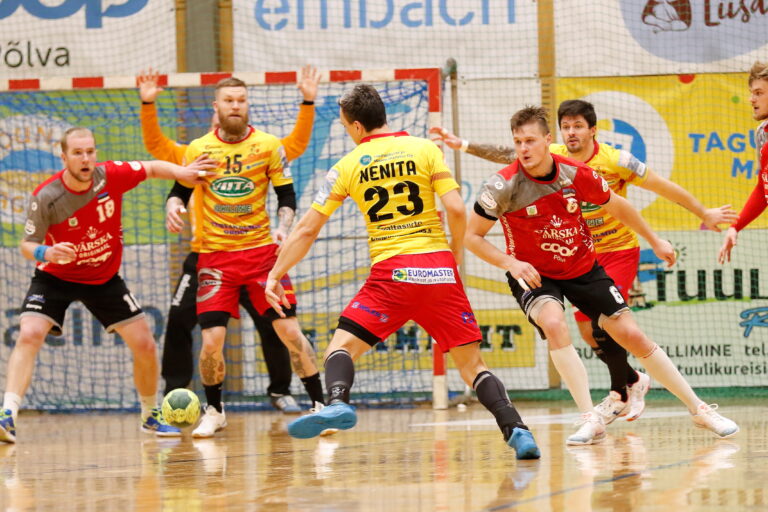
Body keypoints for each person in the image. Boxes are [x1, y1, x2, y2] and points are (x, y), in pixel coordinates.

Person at [264, 84, 541, 460]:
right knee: (473, 367)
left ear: (357, 126)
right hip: (439, 270)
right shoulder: (425, 149)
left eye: (345, 126)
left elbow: (307, 230)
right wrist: (454, 255)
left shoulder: (347, 166)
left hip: (392, 274)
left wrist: (276, 273)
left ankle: (338, 401)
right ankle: (517, 431)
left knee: (340, 348)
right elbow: (456, 209)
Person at [431, 100, 737, 425]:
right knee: (572, 327)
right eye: (567, 126)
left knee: (625, 331)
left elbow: (646, 192)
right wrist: (462, 144)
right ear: (558, 133)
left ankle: (675, 403)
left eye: (578, 126)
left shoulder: (604, 164)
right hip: (541, 268)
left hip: (604, 254)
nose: (571, 132)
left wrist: (666, 233)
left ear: (591, 130)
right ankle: (612, 397)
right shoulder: (514, 176)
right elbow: (481, 214)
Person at [0, 127, 215, 443]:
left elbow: (151, 167)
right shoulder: (47, 196)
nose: (85, 159)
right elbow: (26, 245)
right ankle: (7, 416)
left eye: (90, 152)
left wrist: (182, 173)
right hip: (55, 277)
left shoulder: (110, 175)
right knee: (30, 333)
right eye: (77, 153)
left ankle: (149, 416)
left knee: (145, 344)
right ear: (64, 158)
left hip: (103, 278)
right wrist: (47, 252)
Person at [138, 66, 321, 414]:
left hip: (256, 253)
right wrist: (148, 106)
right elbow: (158, 149)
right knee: (181, 321)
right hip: (207, 256)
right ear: (216, 111)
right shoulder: (196, 152)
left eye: (240, 101)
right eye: (227, 102)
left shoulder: (263, 147)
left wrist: (308, 102)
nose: (234, 107)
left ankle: (281, 391)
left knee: (276, 325)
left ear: (246, 106)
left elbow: (294, 147)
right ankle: (177, 397)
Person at [718, 61, 768, 263]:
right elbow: (763, 189)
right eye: (751, 93)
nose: (751, 99)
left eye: (759, 93)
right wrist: (735, 227)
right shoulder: (762, 133)